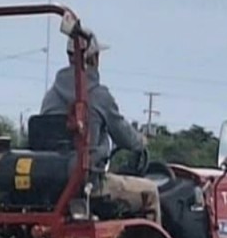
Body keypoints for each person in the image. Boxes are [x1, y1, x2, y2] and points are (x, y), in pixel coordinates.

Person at [41, 32, 162, 223]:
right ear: (95, 58)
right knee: (151, 191)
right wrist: (142, 141)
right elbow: (126, 137)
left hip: (52, 183)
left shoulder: (51, 96)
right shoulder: (99, 96)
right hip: (89, 184)